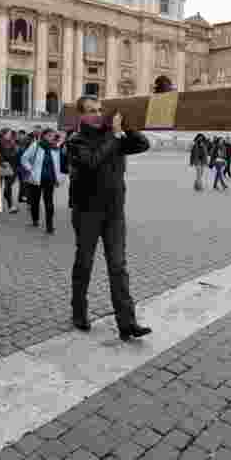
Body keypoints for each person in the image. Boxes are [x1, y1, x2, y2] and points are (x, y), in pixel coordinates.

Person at [66, 96, 152, 340]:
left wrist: (127, 127)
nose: (97, 114)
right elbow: (91, 162)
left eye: (99, 110)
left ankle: (127, 323)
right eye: (91, 111)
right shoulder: (75, 141)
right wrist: (114, 136)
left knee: (118, 267)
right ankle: (79, 311)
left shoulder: (112, 136)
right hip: (86, 212)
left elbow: (142, 144)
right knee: (84, 263)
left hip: (114, 213)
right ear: (81, 116)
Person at [21, 128, 65, 234]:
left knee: (49, 203)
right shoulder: (36, 145)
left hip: (50, 179)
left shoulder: (56, 148)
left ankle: (50, 226)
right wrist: (30, 169)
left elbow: (60, 163)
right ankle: (35, 220)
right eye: (49, 135)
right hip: (36, 178)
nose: (52, 138)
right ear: (44, 136)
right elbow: (24, 158)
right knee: (35, 201)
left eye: (53, 136)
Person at [0, 129, 21, 214]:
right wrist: (2, 161)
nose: (9, 135)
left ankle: (10, 205)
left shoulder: (13, 143)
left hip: (11, 167)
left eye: (10, 134)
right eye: (8, 134)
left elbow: (16, 155)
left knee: (8, 186)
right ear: (3, 134)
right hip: (2, 166)